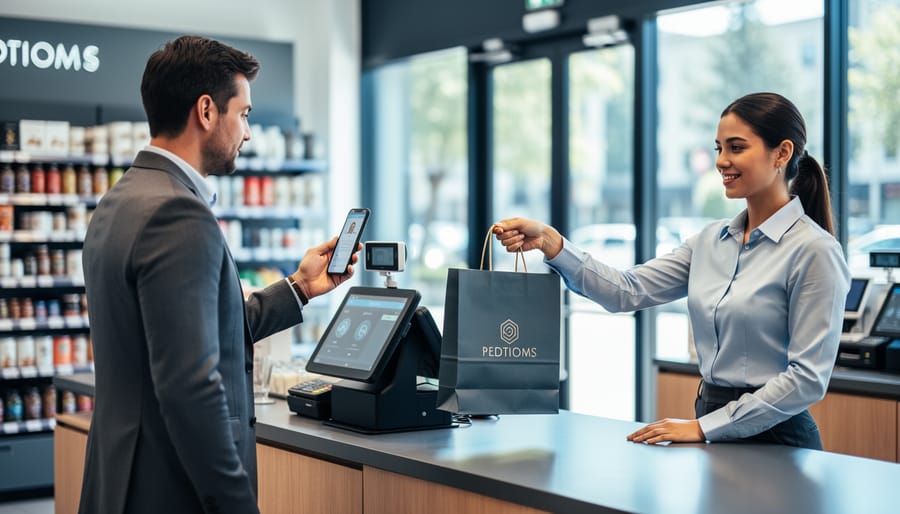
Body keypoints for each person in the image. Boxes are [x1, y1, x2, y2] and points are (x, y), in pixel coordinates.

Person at [79, 36, 357, 513]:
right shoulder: (177, 214)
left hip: (122, 479)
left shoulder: (121, 199)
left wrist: (299, 288)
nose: (247, 133)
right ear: (206, 111)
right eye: (243, 114)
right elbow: (190, 388)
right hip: (168, 489)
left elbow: (193, 332)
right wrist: (236, 504)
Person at [494, 92, 849, 449]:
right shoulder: (709, 241)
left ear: (782, 153)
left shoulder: (814, 250)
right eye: (719, 148)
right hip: (709, 417)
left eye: (736, 147)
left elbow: (807, 379)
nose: (721, 161)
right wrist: (552, 242)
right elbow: (626, 291)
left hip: (776, 435)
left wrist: (704, 427)